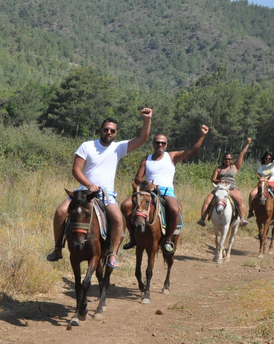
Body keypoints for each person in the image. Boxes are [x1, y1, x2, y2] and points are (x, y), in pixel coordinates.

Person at [46, 108, 153, 269]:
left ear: (116, 133)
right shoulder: (87, 146)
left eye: (112, 131)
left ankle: (113, 254)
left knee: (118, 219)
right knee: (61, 212)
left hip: (106, 193)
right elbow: (76, 170)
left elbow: (142, 138)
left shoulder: (118, 148)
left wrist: (147, 120)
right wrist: (89, 184)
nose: (108, 132)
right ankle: (57, 248)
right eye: (106, 129)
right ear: (101, 130)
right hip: (84, 191)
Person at [121, 124, 210, 252]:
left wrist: (201, 136)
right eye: (157, 142)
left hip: (166, 191)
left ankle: (168, 239)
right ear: (153, 144)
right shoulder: (146, 160)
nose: (160, 145)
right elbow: (137, 178)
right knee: (125, 206)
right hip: (148, 191)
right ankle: (133, 237)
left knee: (174, 209)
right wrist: (148, 184)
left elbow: (191, 151)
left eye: (163, 143)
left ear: (166, 145)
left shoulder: (171, 156)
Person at [197, 137, 252, 227]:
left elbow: (241, 154)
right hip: (220, 188)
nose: (228, 161)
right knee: (207, 200)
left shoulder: (234, 167)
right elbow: (213, 179)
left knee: (240, 200)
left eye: (230, 159)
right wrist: (219, 181)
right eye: (226, 159)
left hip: (232, 188)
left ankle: (242, 219)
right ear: (223, 159)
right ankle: (202, 219)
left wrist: (247, 144)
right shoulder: (218, 168)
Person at [248, 139, 274, 222]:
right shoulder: (261, 167)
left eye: (269, 158)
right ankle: (251, 211)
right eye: (266, 158)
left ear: (271, 158)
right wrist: (261, 178)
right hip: (263, 183)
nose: (267, 160)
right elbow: (258, 175)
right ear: (264, 158)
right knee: (252, 194)